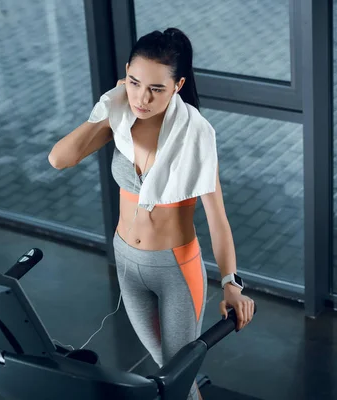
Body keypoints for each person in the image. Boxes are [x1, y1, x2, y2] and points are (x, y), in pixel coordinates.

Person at [47, 28, 255, 400]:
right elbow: (60, 159)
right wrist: (109, 102)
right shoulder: (119, 118)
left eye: (156, 89)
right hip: (126, 260)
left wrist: (231, 282)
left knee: (176, 378)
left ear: (178, 86)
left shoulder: (196, 135)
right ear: (125, 72)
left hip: (174, 269)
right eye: (134, 81)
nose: (142, 97)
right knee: (170, 372)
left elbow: (217, 217)